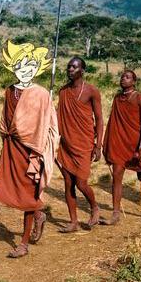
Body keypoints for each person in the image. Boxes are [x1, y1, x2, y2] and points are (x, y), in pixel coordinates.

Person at [0, 41, 59, 258]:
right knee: (18, 191)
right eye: (22, 67)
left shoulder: (41, 94)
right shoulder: (9, 91)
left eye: (31, 67)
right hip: (12, 146)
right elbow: (5, 120)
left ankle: (23, 243)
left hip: (32, 149)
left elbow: (49, 123)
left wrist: (42, 148)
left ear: (37, 69)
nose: (26, 71)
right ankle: (39, 213)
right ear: (14, 67)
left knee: (28, 193)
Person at [102, 70, 141, 224]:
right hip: (120, 143)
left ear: (134, 81)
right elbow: (113, 122)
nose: (123, 79)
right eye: (122, 76)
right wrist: (107, 143)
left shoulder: (139, 98)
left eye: (127, 77)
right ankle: (115, 213)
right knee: (116, 177)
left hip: (136, 144)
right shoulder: (117, 98)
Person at [56, 57, 103, 233]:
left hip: (84, 143)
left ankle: (95, 207)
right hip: (66, 143)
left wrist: (98, 145)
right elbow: (59, 116)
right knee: (68, 183)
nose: (70, 69)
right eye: (69, 66)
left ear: (82, 71)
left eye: (74, 67)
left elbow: (99, 119)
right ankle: (73, 221)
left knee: (81, 183)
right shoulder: (63, 91)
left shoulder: (91, 91)